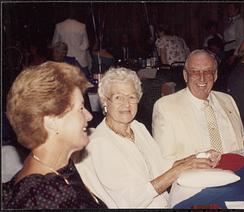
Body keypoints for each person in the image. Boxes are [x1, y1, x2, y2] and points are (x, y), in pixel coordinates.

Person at [74, 67, 221, 208]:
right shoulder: (100, 144)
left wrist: (196, 158)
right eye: (118, 97)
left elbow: (161, 166)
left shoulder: (138, 127)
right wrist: (178, 170)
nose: (126, 104)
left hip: (167, 203)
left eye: (131, 97)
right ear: (105, 101)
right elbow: (130, 201)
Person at [2, 62, 107, 209]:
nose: (89, 116)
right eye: (81, 108)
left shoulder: (56, 167)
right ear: (51, 121)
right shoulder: (46, 196)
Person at [152, 49, 244, 162]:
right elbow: (164, 160)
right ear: (185, 75)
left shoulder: (227, 100)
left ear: (215, 75)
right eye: (195, 72)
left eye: (207, 71)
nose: (202, 78)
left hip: (239, 170)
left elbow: (242, 143)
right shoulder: (166, 107)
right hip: (197, 176)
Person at [52, 6, 91, 79]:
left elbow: (55, 43)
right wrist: (77, 49)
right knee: (83, 81)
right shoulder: (82, 26)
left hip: (63, 58)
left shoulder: (59, 26)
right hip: (79, 59)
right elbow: (86, 44)